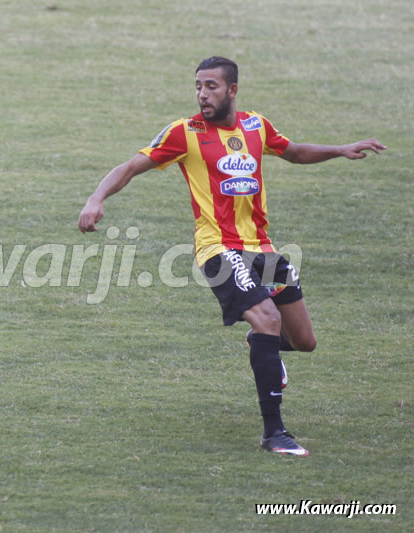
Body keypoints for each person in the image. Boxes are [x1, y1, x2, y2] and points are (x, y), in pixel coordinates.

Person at [77, 56, 385, 456]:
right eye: (198, 86)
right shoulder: (184, 133)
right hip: (218, 249)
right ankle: (274, 433)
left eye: (211, 86)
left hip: (265, 251)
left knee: (304, 341)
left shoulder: (256, 126)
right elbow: (131, 166)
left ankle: (263, 345)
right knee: (268, 319)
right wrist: (95, 198)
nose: (202, 95)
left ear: (232, 90)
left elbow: (293, 152)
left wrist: (340, 149)